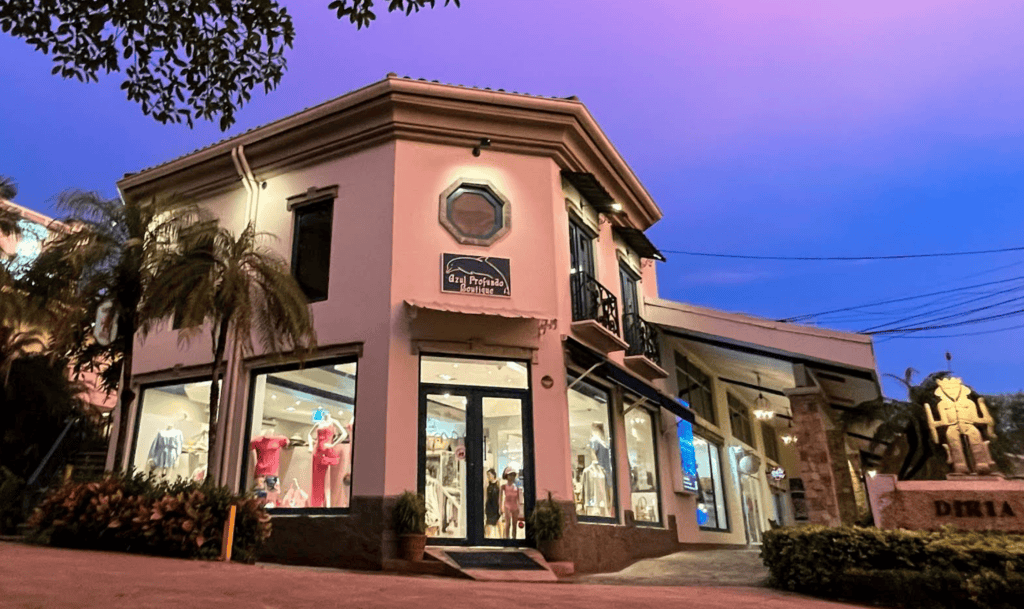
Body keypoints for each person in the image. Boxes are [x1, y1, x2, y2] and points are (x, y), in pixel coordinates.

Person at [499, 466, 520, 540]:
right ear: (506, 476)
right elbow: (500, 498)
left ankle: (514, 539)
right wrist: (500, 507)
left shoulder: (517, 487)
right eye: (510, 475)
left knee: (514, 524)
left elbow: (519, 498)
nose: (512, 477)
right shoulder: (503, 486)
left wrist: (520, 508)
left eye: (513, 475)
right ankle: (507, 539)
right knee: (508, 524)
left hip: (515, 506)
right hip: (507, 505)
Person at [484, 468, 500, 538]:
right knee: (488, 524)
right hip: (489, 507)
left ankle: (502, 539)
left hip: (496, 506)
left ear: (493, 475)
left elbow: (501, 496)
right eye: (487, 475)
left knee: (499, 524)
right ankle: (487, 538)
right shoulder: (487, 486)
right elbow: (486, 497)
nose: (488, 477)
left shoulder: (498, 484)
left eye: (489, 475)